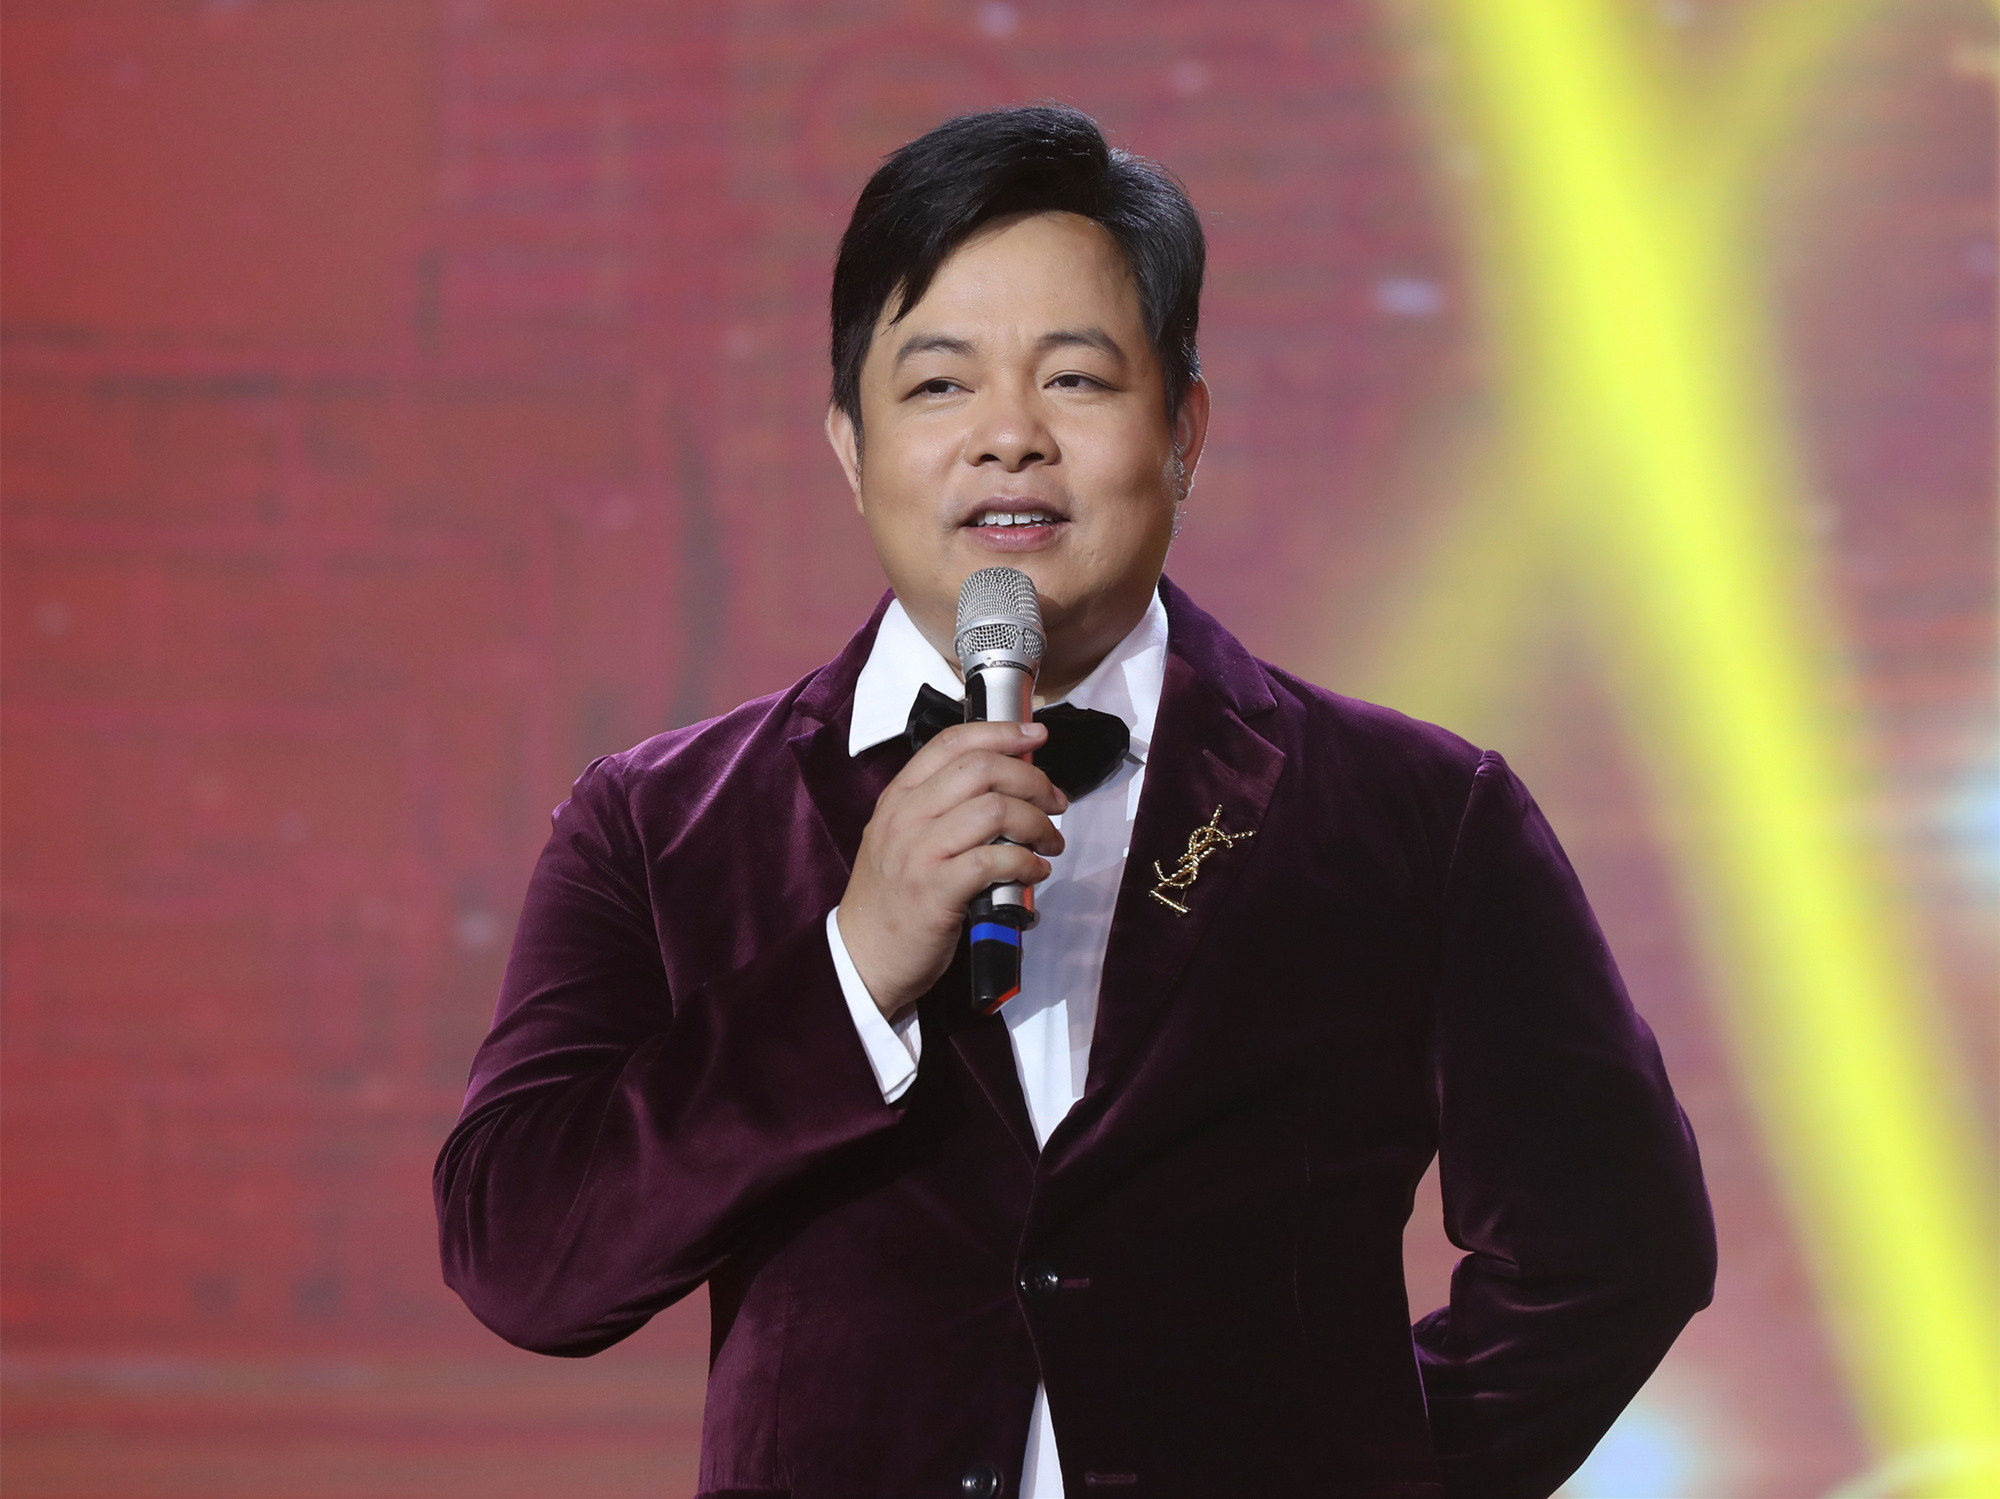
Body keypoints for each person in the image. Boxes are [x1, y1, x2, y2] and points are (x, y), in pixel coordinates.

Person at [434, 104, 1715, 1499]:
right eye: (938, 385)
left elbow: (1617, 1246)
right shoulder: (657, 822)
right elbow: (525, 1255)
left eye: (1077, 379)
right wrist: (852, 967)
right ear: (851, 445)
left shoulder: (1417, 814)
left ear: (1184, 430)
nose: (1008, 439)